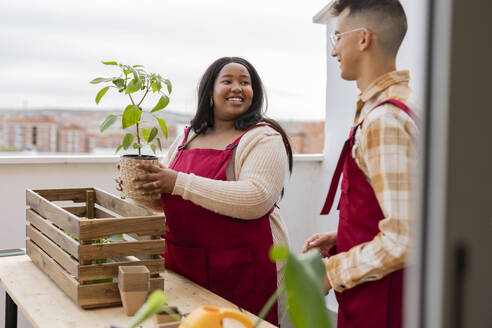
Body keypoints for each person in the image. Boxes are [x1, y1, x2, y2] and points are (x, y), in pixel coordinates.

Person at [117, 57, 293, 326]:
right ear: (209, 91)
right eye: (228, 81)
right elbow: (172, 200)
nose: (237, 87)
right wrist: (143, 189)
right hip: (185, 264)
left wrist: (176, 182)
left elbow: (257, 198)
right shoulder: (188, 137)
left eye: (245, 83)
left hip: (243, 270)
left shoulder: (263, 138)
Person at [303, 1, 419, 327]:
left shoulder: (385, 119)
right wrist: (344, 236)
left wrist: (331, 271)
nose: (333, 51)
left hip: (382, 309)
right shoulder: (403, 105)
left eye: (337, 37)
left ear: (364, 39)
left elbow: (405, 238)